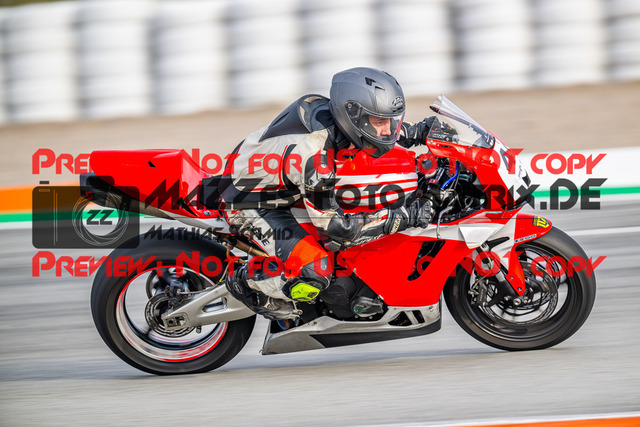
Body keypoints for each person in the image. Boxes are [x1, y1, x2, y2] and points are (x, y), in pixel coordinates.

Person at [217, 67, 435, 319]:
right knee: (315, 271)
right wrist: (402, 217)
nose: (388, 130)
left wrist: (420, 131)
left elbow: (378, 133)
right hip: (248, 201)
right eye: (380, 122)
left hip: (277, 180)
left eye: (390, 121)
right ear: (353, 116)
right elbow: (338, 228)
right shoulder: (314, 155)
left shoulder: (340, 118)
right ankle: (244, 282)